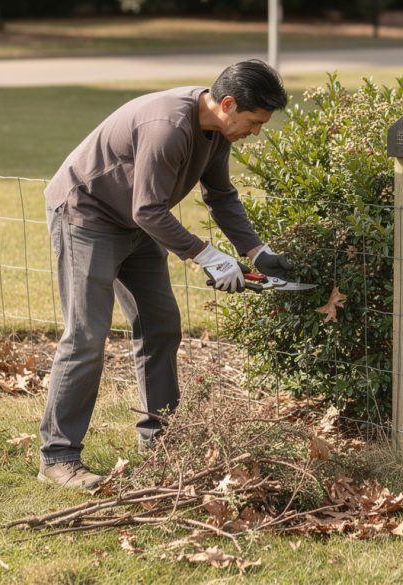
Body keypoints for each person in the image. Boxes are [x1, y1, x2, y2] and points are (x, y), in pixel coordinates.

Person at [38, 60, 292, 490]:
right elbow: (148, 209)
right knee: (85, 337)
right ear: (228, 104)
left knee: (160, 326)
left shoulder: (214, 129)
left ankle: (161, 440)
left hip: (134, 223)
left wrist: (256, 251)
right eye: (253, 122)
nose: (256, 132)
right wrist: (207, 256)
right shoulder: (169, 127)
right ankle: (58, 456)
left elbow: (222, 196)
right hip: (86, 216)